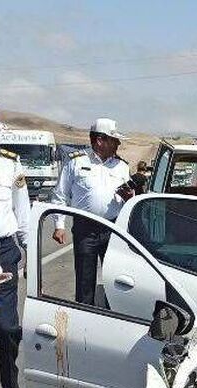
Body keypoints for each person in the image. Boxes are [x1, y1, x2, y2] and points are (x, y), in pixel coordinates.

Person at [52, 118, 134, 306]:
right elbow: (60, 194)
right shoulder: (76, 162)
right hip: (85, 229)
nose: (118, 144)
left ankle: (113, 315)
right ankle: (84, 316)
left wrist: (130, 196)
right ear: (99, 140)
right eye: (114, 140)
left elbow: (131, 198)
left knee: (116, 279)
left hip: (113, 229)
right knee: (84, 280)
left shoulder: (122, 166)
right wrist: (59, 225)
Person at [0, 106, 30, 388]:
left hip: (3, 253)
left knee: (5, 328)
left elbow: (22, 211)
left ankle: (10, 385)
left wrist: (30, 251)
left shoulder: (9, 165)